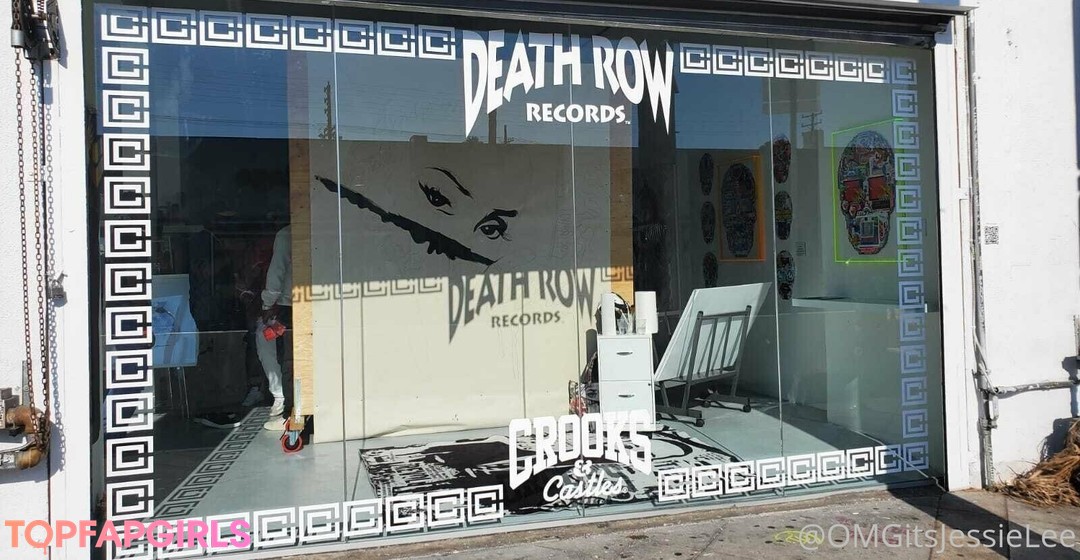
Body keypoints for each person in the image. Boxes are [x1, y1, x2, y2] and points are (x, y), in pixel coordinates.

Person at [257, 224, 292, 429]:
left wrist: (267, 304)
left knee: (287, 358)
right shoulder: (324, 227)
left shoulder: (286, 234)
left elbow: (277, 272)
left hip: (288, 305)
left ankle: (285, 404)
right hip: (315, 300)